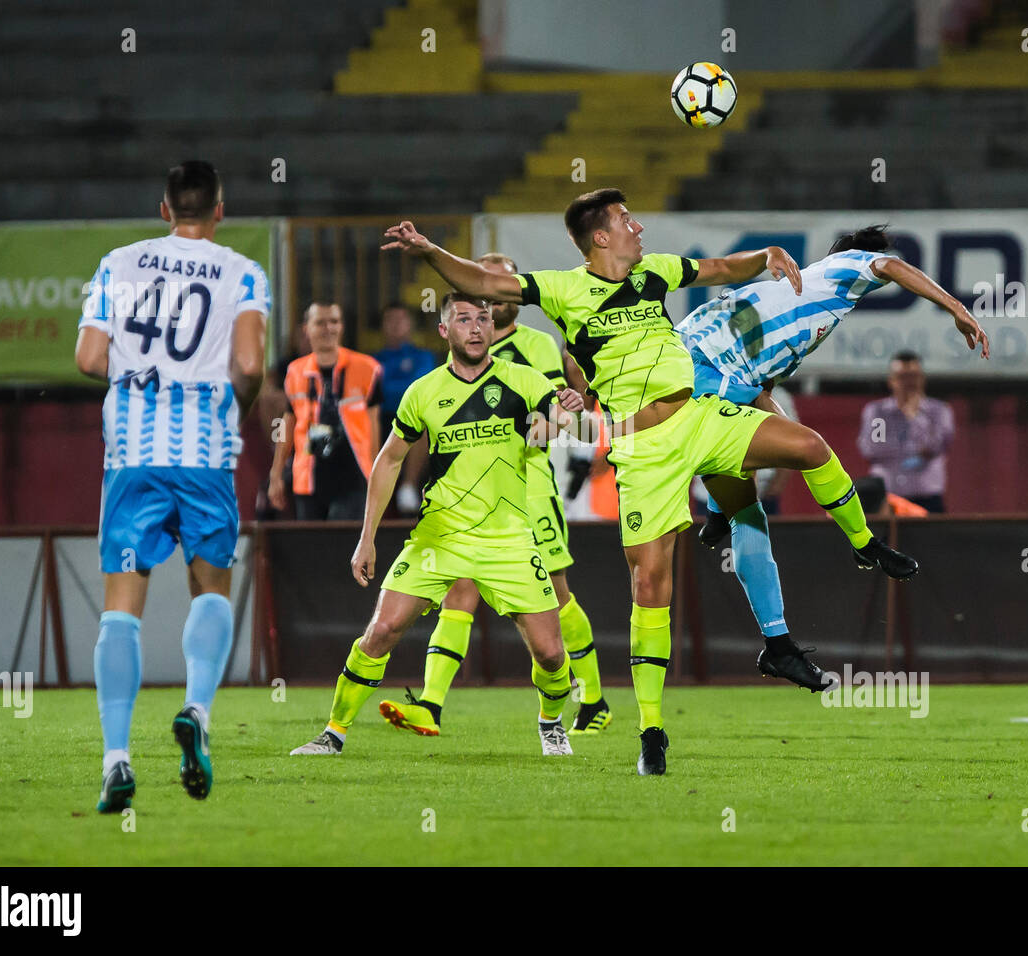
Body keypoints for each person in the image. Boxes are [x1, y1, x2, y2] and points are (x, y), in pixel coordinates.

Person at [382, 189, 917, 776]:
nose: (638, 226)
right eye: (625, 220)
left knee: (809, 446)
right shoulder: (563, 289)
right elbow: (489, 287)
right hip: (642, 450)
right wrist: (429, 248)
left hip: (698, 417)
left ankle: (863, 548)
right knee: (650, 584)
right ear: (601, 237)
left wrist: (764, 256)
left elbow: (716, 268)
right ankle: (652, 731)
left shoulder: (655, 271)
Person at [289, 293, 586, 758]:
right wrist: (366, 538)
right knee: (382, 630)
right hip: (439, 536)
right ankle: (333, 732)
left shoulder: (524, 380)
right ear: (445, 331)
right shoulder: (423, 392)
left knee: (550, 653)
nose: (475, 327)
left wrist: (567, 409)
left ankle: (551, 723)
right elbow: (388, 462)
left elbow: (557, 423)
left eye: (483, 319)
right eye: (463, 319)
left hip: (507, 537)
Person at [677, 224, 987, 650]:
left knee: (765, 482)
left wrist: (791, 436)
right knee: (769, 480)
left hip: (712, 365)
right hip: (702, 362)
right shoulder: (845, 265)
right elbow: (892, 266)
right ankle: (861, 545)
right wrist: (957, 307)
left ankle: (774, 635)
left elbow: (761, 391)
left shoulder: (805, 313)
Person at [74, 160, 269, 812]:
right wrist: (232, 408)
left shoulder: (118, 263)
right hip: (205, 452)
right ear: (220, 210)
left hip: (132, 452)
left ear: (164, 209)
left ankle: (116, 761)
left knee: (120, 608)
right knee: (210, 588)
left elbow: (89, 358)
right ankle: (196, 712)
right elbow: (248, 363)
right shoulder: (243, 272)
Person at [378, 254, 612, 738]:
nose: (493, 299)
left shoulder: (537, 345)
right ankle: (432, 704)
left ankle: (592, 697)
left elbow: (558, 415)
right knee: (460, 590)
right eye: (483, 291)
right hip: (470, 497)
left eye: (501, 287)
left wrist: (550, 423)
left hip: (530, 486)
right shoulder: (455, 362)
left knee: (558, 597)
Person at [269, 303, 383, 521]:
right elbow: (287, 421)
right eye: (320, 322)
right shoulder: (295, 371)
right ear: (307, 329)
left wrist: (377, 474)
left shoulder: (366, 368)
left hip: (354, 477)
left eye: (334, 322)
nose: (328, 328)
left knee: (342, 547)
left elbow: (374, 424)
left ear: (342, 327)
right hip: (309, 478)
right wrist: (276, 472)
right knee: (313, 550)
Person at [857, 350, 955, 513]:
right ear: (892, 381)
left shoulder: (939, 411)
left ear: (922, 379)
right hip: (888, 498)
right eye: (903, 377)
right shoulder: (878, 412)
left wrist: (915, 418)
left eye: (914, 377)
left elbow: (936, 446)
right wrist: (915, 452)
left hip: (928, 496)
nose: (909, 383)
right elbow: (873, 449)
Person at [374, 302, 437, 512]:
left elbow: (419, 388)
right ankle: (371, 486)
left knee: (421, 420)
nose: (396, 325)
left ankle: (408, 487)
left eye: (401, 320)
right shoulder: (374, 359)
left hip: (409, 415)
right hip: (380, 417)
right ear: (382, 325)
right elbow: (372, 392)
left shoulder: (423, 356)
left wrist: (391, 389)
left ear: (410, 324)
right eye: (390, 320)